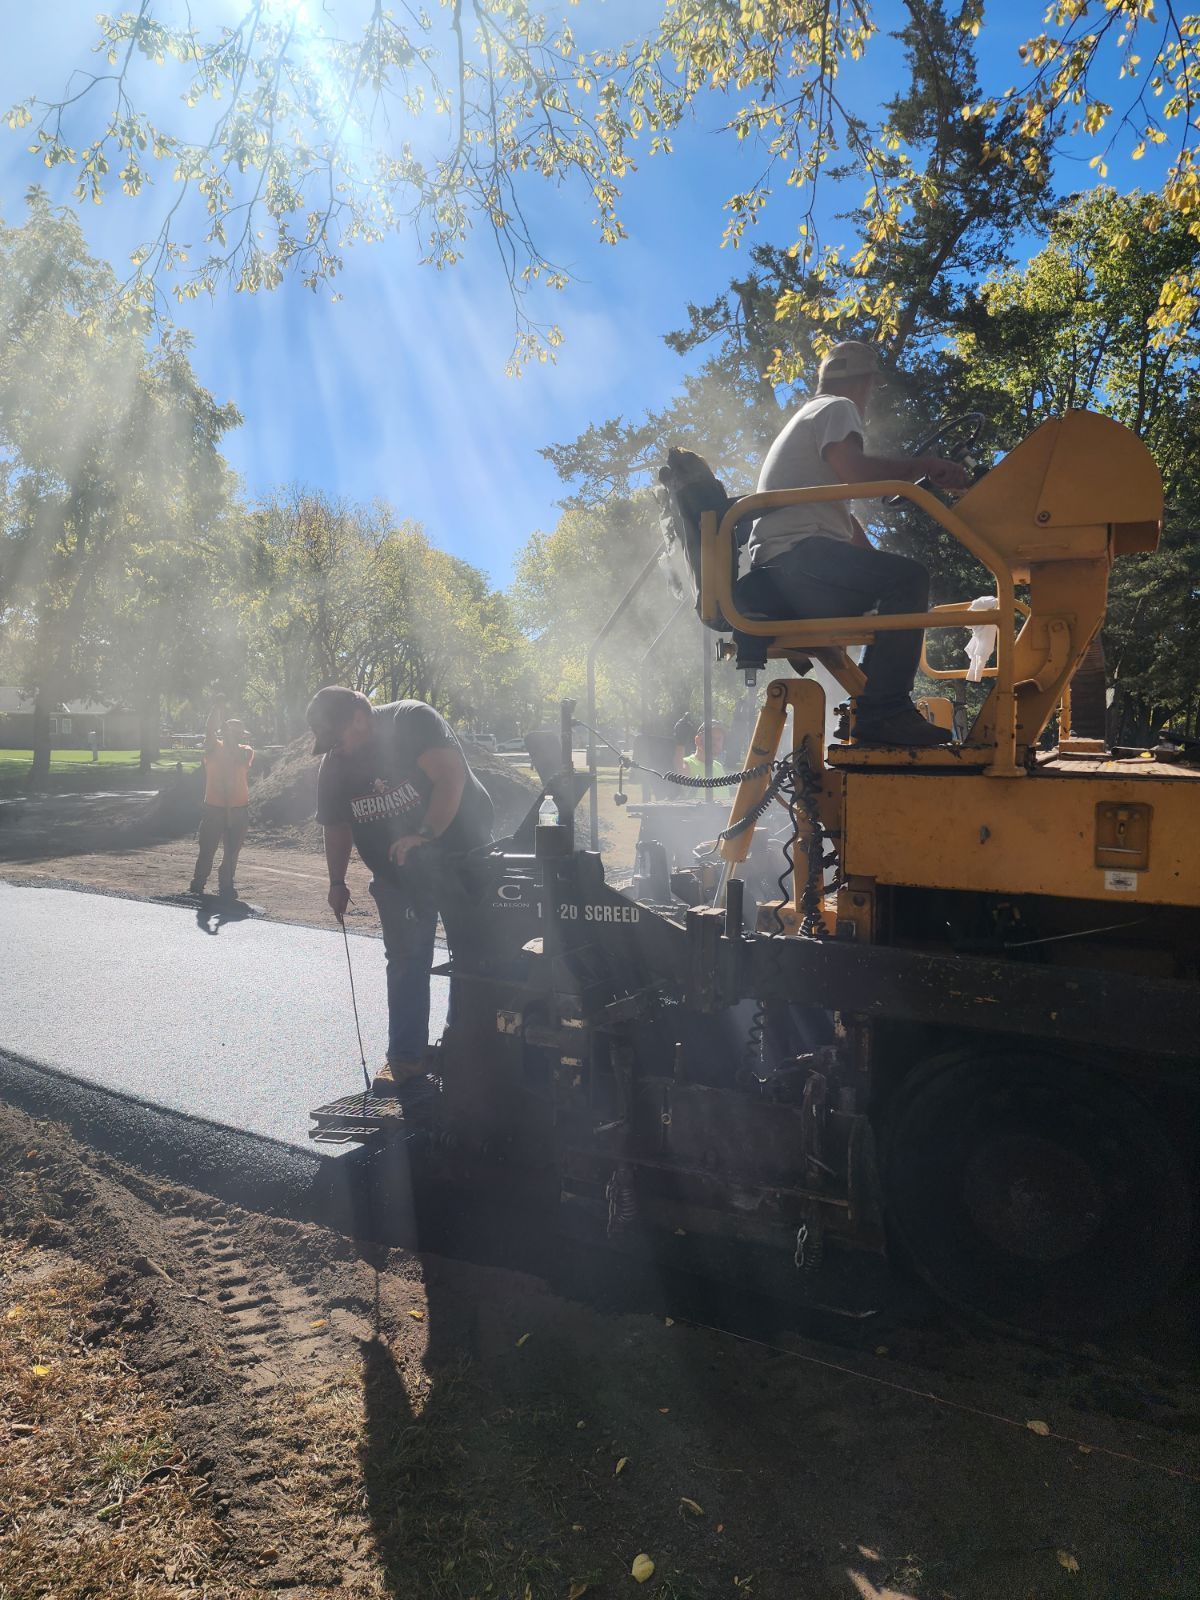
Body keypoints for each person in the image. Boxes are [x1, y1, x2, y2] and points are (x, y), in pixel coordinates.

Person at [750, 340, 971, 747]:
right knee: (909, 579)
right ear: (865, 382)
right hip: (797, 561)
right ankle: (885, 712)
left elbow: (841, 517)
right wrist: (924, 467)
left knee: (899, 579)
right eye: (871, 387)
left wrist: (873, 561)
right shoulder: (836, 407)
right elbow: (854, 470)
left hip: (788, 565)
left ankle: (875, 708)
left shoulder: (810, 415)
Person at [308, 686, 494, 1097]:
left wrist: (423, 835)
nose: (335, 750)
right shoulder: (335, 765)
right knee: (407, 959)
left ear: (359, 717)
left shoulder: (412, 720)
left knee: (471, 956)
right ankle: (407, 1058)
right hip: (399, 873)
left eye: (337, 739)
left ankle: (463, 1048)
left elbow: (450, 777)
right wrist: (337, 881)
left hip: (464, 855)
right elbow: (337, 827)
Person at [189, 701, 254, 901]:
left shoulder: (246, 751)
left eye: (239, 734)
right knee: (207, 849)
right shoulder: (212, 748)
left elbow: (236, 755)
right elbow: (210, 730)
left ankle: (226, 884)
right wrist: (215, 709)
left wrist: (229, 736)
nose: (238, 736)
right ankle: (198, 884)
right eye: (234, 733)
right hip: (214, 809)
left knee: (232, 851)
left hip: (239, 810)